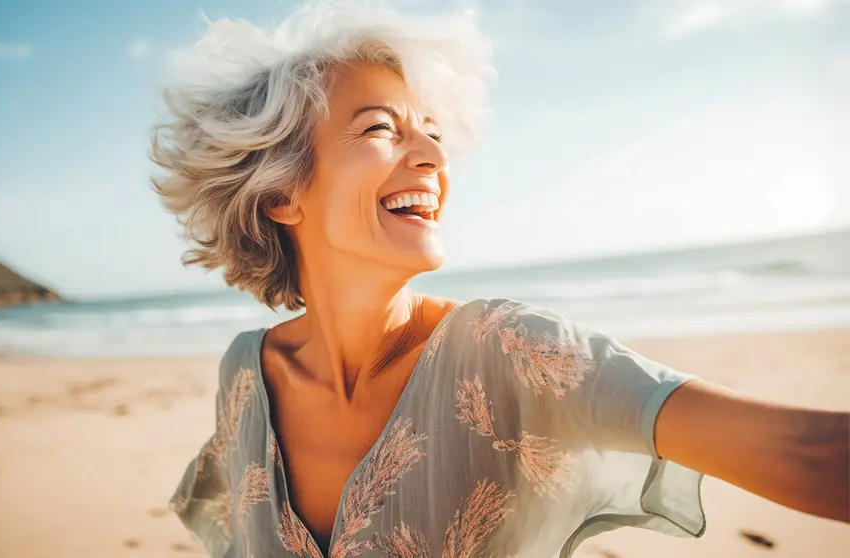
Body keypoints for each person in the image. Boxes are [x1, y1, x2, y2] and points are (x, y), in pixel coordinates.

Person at [151, 2, 849, 557]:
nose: (431, 155)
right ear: (280, 194)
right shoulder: (246, 377)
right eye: (380, 130)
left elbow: (805, 450)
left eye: (432, 133)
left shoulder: (509, 350)